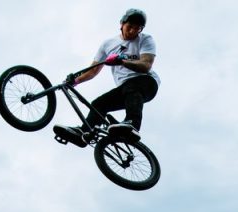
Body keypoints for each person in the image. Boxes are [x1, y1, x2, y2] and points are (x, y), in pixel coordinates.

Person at [54, 8, 160, 146]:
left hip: (147, 82)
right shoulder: (108, 44)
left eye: (137, 29)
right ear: (122, 24)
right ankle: (83, 135)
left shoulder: (145, 39)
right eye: (130, 26)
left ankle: (132, 124)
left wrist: (122, 61)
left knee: (131, 87)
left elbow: (146, 65)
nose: (133, 31)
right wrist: (75, 81)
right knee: (98, 104)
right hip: (125, 88)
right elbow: (93, 70)